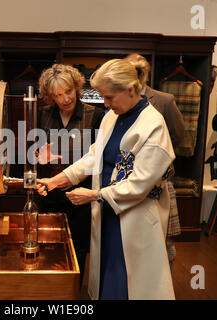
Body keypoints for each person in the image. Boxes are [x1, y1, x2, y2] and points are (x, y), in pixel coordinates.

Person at [37, 59, 175, 300]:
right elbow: (93, 156)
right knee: (107, 279)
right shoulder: (113, 116)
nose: (105, 103)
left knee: (131, 283)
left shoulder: (153, 126)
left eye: (109, 97)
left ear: (131, 89)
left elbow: (139, 184)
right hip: (109, 213)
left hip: (136, 218)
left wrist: (94, 195)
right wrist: (57, 180)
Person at [36, 64, 104, 284]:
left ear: (76, 87)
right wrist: (38, 156)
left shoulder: (95, 116)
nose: (65, 99)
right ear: (50, 97)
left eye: (68, 91)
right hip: (48, 192)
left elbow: (99, 158)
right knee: (48, 244)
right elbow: (28, 155)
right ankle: (51, 288)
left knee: (78, 247)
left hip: (79, 195)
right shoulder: (42, 115)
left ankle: (73, 291)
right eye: (58, 95)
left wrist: (76, 177)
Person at [124, 53, 185, 273]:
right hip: (129, 181)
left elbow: (178, 134)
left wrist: (157, 158)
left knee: (160, 241)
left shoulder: (164, 99)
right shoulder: (117, 99)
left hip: (158, 182)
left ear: (146, 72)